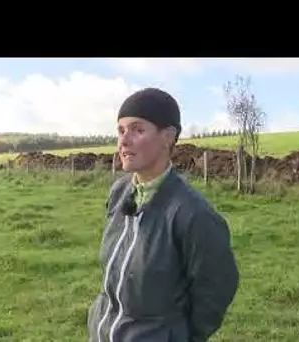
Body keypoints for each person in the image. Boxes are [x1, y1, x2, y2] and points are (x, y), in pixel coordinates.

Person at [87, 88, 240, 342]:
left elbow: (215, 290)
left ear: (168, 137)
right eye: (121, 130)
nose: (124, 141)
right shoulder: (120, 193)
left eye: (137, 130)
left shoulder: (193, 214)